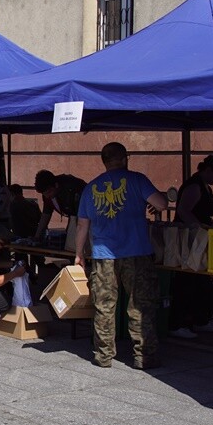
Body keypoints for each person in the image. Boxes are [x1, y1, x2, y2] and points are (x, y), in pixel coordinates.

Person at [74, 142, 167, 369]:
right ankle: (143, 356)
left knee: (104, 306)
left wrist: (79, 254)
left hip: (103, 255)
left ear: (103, 161)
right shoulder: (137, 180)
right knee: (140, 304)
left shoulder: (91, 187)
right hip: (136, 252)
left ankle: (104, 355)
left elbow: (82, 225)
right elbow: (161, 204)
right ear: (126, 158)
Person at [170, 154, 213, 338]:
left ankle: (199, 319)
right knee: (188, 281)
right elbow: (184, 211)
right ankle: (178, 322)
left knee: (203, 281)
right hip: (190, 239)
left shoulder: (205, 187)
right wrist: (200, 227)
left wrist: (212, 225)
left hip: (202, 237)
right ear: (208, 169)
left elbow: (202, 213)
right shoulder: (194, 186)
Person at [33, 169, 87, 239]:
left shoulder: (73, 187)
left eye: (49, 192)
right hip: (75, 217)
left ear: (56, 185)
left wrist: (69, 239)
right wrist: (36, 237)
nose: (47, 196)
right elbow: (45, 215)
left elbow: (77, 220)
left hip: (86, 216)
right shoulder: (47, 191)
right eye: (44, 194)